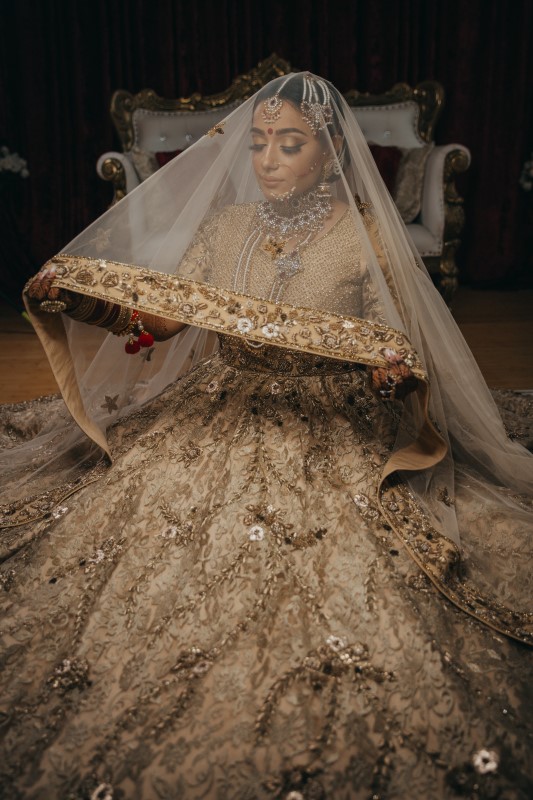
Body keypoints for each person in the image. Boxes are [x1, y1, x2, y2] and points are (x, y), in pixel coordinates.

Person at [1, 73, 532, 800]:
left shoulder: (367, 235)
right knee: (146, 499)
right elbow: (165, 319)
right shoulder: (224, 229)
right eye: (257, 144)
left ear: (331, 154)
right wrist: (82, 303)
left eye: (290, 144)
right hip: (224, 398)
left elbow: (395, 345)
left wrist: (388, 375)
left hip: (325, 411)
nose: (269, 159)